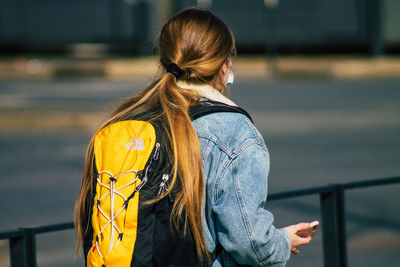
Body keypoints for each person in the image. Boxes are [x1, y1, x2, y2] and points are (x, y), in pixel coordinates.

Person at [75, 8, 314, 267]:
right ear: (224, 67)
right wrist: (282, 243)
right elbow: (250, 243)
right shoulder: (233, 130)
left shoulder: (126, 120)